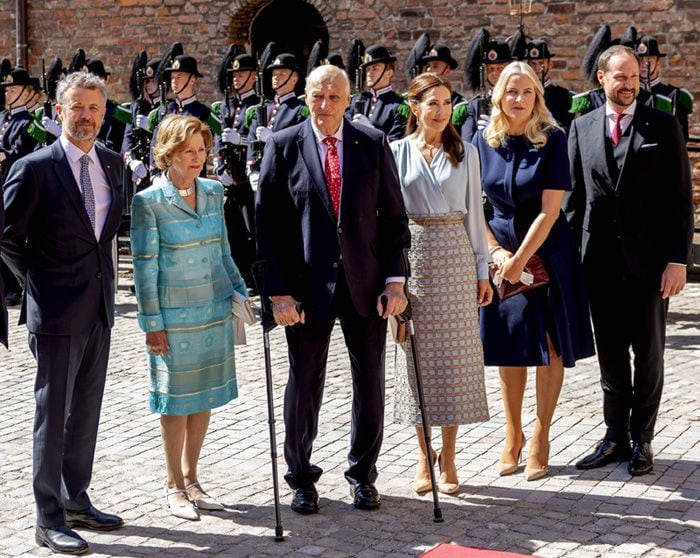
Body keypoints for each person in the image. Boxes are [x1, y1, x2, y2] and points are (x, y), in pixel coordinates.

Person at [255, 64, 410, 515]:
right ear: (306, 97)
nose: (325, 106)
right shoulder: (283, 146)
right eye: (318, 97)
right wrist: (278, 292)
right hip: (305, 290)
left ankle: (363, 475)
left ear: (349, 100)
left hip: (366, 285)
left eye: (335, 98)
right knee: (304, 384)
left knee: (370, 384)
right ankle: (301, 477)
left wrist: (395, 281)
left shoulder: (371, 143)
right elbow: (269, 225)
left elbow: (394, 218)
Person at [1, 70, 124, 555]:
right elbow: (8, 236)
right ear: (59, 110)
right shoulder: (35, 167)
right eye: (77, 107)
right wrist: (38, 281)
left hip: (100, 309)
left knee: (86, 412)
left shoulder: (115, 165)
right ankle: (48, 517)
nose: (87, 116)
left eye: (95, 107)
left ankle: (76, 498)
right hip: (54, 311)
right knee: (53, 415)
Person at [567, 45, 693, 477]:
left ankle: (643, 440)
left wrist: (678, 260)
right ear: (601, 78)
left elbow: (680, 200)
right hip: (598, 265)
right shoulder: (580, 127)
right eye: (620, 77)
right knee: (611, 359)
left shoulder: (663, 123)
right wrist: (570, 262)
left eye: (635, 77)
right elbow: (573, 201)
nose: (629, 85)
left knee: (650, 356)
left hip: (651, 265)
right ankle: (614, 436)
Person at [472, 61, 595, 482]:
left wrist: (519, 261)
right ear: (498, 97)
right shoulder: (482, 139)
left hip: (548, 253)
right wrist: (494, 253)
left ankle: (542, 433)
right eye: (511, 91)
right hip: (500, 252)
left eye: (527, 92)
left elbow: (550, 210)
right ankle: (513, 433)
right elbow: (476, 206)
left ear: (537, 97)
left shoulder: (554, 139)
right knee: (509, 344)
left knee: (550, 342)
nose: (518, 99)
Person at [130, 115, 249, 520]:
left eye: (202, 150)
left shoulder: (214, 192)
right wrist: (152, 324)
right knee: (175, 402)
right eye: (188, 151)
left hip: (213, 311)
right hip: (173, 319)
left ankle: (193, 478)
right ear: (168, 154)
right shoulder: (148, 201)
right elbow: (144, 267)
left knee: (204, 395)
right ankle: (173, 485)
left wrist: (241, 293)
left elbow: (224, 250)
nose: (198, 158)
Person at [390, 73, 492, 495]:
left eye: (447, 103)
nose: (440, 111)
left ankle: (448, 457)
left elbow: (475, 217)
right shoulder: (395, 153)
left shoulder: (465, 152)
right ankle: (422, 455)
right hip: (413, 257)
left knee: (453, 361)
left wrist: (482, 271)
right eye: (432, 103)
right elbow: (388, 220)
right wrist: (392, 278)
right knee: (417, 360)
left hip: (454, 259)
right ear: (414, 107)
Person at [212, 51, 260, 289]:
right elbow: (219, 138)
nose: (236, 79)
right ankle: (240, 273)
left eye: (242, 74)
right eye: (234, 75)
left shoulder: (256, 105)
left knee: (251, 229)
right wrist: (218, 164)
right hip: (229, 177)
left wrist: (240, 140)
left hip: (245, 177)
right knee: (233, 231)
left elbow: (257, 139)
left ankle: (253, 275)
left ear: (253, 76)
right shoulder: (227, 106)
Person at [349, 44, 409, 141]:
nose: (369, 73)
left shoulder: (399, 106)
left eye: (375, 68)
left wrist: (371, 131)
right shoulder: (356, 100)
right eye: (368, 69)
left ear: (389, 73)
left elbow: (396, 144)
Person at [461, 34, 513, 142]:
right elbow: (466, 142)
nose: (495, 73)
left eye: (500, 68)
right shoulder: (475, 105)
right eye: (491, 69)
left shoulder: (517, 100)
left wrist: (497, 130)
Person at [524, 39, 574, 132]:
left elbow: (567, 129)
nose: (537, 68)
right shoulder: (523, 94)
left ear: (550, 64)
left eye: (541, 63)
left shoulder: (563, 96)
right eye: (533, 64)